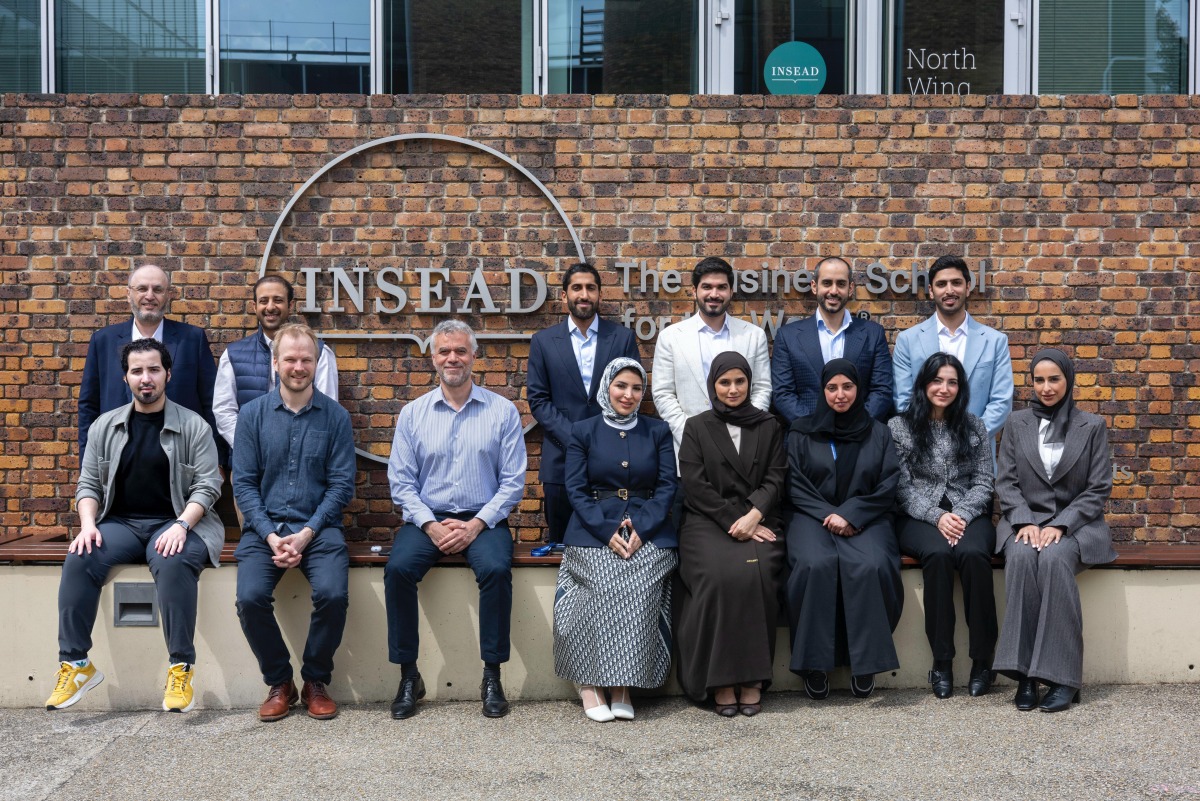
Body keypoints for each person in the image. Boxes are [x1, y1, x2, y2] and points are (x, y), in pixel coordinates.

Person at [46, 338, 223, 713]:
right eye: (137, 371)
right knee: (79, 557)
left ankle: (181, 668)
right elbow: (88, 483)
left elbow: (209, 484)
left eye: (154, 370)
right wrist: (89, 524)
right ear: (126, 377)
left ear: (168, 374)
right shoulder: (104, 427)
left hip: (176, 522)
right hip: (121, 524)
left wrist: (181, 525)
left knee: (173, 560)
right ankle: (76, 664)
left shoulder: (194, 426)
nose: (146, 378)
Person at [385, 320, 526, 720]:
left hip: (484, 521)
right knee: (397, 570)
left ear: (474, 357)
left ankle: (492, 674)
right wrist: (430, 525)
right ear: (433, 357)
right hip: (426, 521)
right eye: (444, 351)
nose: (453, 358)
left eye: (461, 351)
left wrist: (476, 524)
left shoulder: (501, 412)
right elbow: (402, 482)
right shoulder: (413, 414)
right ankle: (409, 675)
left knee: (497, 570)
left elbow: (512, 482)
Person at [232, 324, 355, 722]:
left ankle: (315, 680)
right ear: (275, 363)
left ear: (316, 364)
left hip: (318, 530)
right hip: (263, 530)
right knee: (250, 599)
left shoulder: (336, 417)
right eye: (291, 359)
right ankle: (279, 681)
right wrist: (270, 535)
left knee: (333, 595)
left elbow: (341, 486)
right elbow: (244, 484)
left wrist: (304, 534)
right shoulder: (251, 417)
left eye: (306, 359)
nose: (298, 367)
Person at [553, 357, 678, 722]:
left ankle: (623, 685)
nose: (629, 394)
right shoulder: (583, 431)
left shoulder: (657, 431)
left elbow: (667, 486)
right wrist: (609, 532)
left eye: (637, 388)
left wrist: (640, 528)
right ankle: (589, 683)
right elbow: (575, 488)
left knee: (639, 582)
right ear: (607, 386)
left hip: (647, 529)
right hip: (593, 529)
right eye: (621, 386)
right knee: (601, 581)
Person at [993, 349, 1115, 713]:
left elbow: (1098, 488)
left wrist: (1062, 524)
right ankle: (1026, 675)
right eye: (1039, 380)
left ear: (1068, 380)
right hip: (1025, 522)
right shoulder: (1016, 423)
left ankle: (1064, 678)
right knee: (1020, 555)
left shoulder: (1091, 426)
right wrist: (1025, 520)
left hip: (1076, 526)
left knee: (1054, 559)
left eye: (1054, 379)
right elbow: (1006, 481)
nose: (1046, 387)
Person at [675, 352, 787, 716]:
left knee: (756, 571)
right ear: (713, 386)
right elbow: (695, 484)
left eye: (740, 381)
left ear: (750, 384)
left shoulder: (768, 424)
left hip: (759, 520)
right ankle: (720, 680)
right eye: (725, 382)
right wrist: (732, 521)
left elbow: (776, 476)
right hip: (708, 522)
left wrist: (754, 515)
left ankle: (752, 679)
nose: (733, 389)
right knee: (721, 576)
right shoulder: (697, 426)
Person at [784, 359, 901, 700]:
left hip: (867, 516)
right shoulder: (801, 431)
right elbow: (795, 483)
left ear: (858, 389)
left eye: (847, 387)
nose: (840, 395)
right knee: (814, 564)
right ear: (822, 391)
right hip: (810, 515)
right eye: (832, 388)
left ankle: (864, 662)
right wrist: (829, 514)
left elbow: (887, 483)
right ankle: (814, 664)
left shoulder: (879, 432)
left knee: (871, 565)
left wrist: (851, 514)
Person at [888, 353, 997, 699]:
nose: (943, 388)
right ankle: (942, 662)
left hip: (968, 513)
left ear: (960, 388)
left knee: (975, 553)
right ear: (923, 385)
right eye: (937, 380)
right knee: (936, 554)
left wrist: (961, 514)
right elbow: (901, 488)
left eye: (952, 382)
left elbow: (984, 482)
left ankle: (983, 660)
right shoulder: (899, 427)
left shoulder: (974, 425)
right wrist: (937, 516)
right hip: (918, 515)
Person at [527, 263, 640, 556]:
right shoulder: (543, 342)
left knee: (613, 550)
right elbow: (538, 400)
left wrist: (601, 441)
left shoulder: (622, 338)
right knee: (564, 551)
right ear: (565, 295)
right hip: (561, 461)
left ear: (600, 294)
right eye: (577, 288)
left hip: (614, 460)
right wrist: (578, 439)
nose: (584, 294)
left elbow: (632, 392)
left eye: (591, 287)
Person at [78, 264, 220, 459]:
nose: (150, 296)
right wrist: (88, 462)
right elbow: (89, 406)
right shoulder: (103, 341)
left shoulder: (192, 339)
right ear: (129, 294)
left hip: (181, 457)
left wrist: (217, 460)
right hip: (116, 456)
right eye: (142, 289)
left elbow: (211, 401)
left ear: (167, 295)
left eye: (158, 289)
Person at [651, 256, 771, 462]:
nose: (714, 294)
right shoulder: (671, 337)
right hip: (691, 451)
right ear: (694, 290)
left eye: (721, 287)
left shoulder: (753, 335)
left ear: (731, 292)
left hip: (743, 450)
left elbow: (762, 389)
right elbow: (663, 394)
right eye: (707, 287)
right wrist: (692, 435)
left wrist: (744, 430)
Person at [893, 255, 1013, 448]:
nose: (949, 290)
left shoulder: (995, 341)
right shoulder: (907, 340)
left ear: (967, 287)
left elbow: (1001, 402)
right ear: (931, 291)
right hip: (924, 454)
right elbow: (904, 401)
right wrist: (936, 443)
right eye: (941, 284)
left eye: (956, 283)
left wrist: (969, 440)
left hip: (976, 454)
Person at [214, 275, 340, 453]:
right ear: (254, 306)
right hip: (250, 463)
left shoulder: (320, 352)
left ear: (290, 305)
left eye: (278, 300)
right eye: (264, 300)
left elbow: (327, 409)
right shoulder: (233, 354)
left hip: (304, 460)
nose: (270, 307)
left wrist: (298, 451)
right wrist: (251, 448)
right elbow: (223, 411)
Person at [772, 256, 893, 424]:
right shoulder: (788, 336)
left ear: (850, 288)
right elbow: (783, 393)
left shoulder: (873, 334)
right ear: (814, 287)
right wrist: (816, 428)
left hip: (860, 438)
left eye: (841, 284)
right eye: (827, 283)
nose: (834, 291)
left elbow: (882, 390)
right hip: (808, 438)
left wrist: (855, 426)